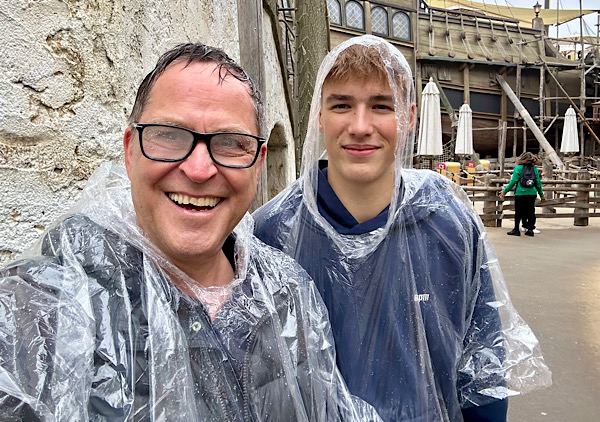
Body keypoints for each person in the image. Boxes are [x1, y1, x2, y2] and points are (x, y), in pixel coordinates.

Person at [0, 43, 380, 421]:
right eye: (170, 135)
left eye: (231, 143)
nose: (199, 170)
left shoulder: (287, 293)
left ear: (258, 164)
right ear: (131, 149)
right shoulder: (42, 307)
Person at [254, 35, 551, 422]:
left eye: (381, 105)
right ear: (320, 117)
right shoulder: (273, 232)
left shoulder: (450, 223)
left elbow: (482, 370)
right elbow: (256, 378)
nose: (360, 127)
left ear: (410, 116)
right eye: (342, 104)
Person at [499, 152, 546, 237]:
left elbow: (513, 181)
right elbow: (538, 183)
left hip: (520, 193)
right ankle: (530, 230)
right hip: (532, 193)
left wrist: (504, 191)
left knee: (519, 212)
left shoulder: (518, 168)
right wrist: (541, 195)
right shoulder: (534, 169)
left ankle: (516, 229)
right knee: (531, 211)